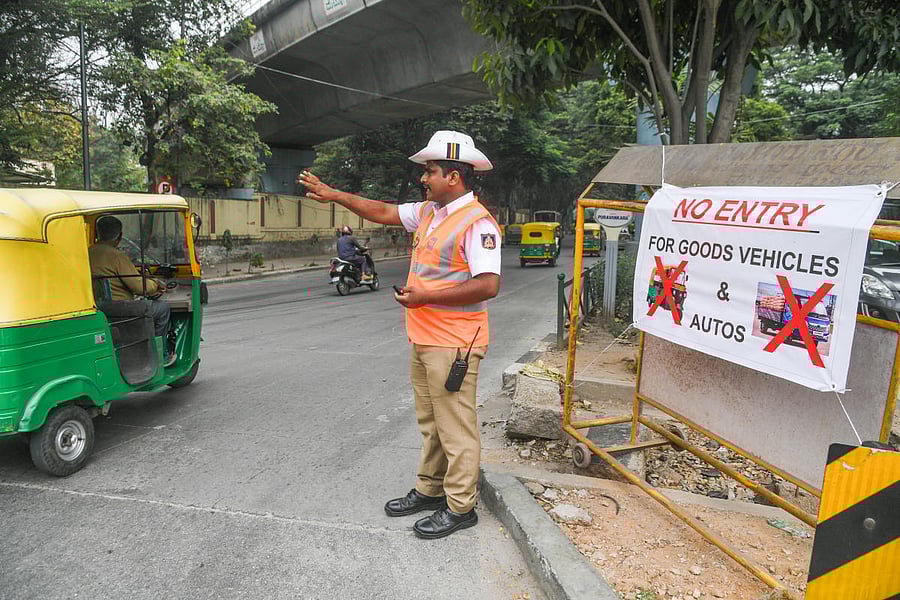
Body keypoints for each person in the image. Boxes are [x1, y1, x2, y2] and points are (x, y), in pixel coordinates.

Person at [298, 130, 501, 539]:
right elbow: (382, 211)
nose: (423, 178)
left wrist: (427, 295)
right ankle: (430, 489)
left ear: (454, 177)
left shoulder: (478, 224)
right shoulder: (430, 212)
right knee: (432, 422)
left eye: (430, 171)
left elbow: (488, 284)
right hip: (425, 337)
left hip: (455, 343)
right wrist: (335, 194)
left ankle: (461, 506)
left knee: (456, 427)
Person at [88, 216, 175, 367]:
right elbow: (140, 287)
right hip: (120, 309)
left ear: (97, 233)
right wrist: (156, 284)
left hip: (97, 307)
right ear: (120, 236)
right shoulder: (116, 256)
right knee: (162, 309)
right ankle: (159, 355)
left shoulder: (87, 253)